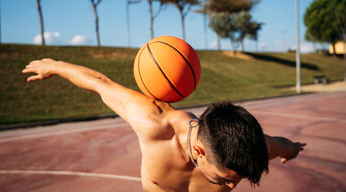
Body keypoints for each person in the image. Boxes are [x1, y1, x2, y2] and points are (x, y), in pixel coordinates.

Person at [22, 58, 306, 192]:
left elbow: (281, 145)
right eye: (225, 178)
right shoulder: (154, 124)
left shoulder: (249, 151)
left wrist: (292, 149)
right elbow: (101, 84)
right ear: (200, 151)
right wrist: (57, 66)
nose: (234, 184)